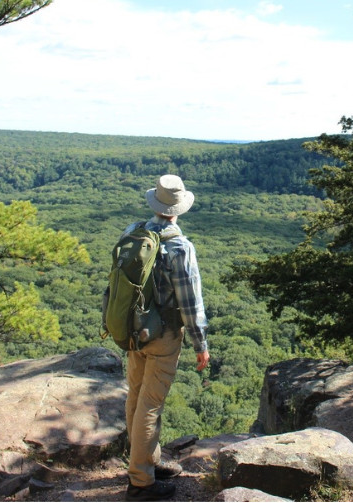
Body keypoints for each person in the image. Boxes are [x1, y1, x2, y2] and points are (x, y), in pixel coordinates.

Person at [123, 174, 210, 502]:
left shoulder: (133, 232)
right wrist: (200, 344)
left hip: (134, 330)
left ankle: (145, 461)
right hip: (164, 335)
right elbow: (191, 302)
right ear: (177, 210)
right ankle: (140, 482)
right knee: (151, 404)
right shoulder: (179, 246)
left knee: (135, 394)